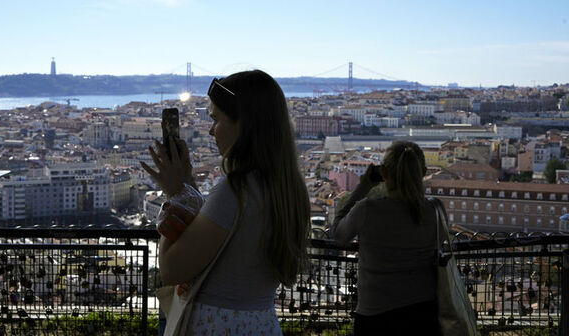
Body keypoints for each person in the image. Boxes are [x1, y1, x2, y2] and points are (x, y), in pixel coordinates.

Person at [141, 70, 310, 334]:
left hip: (217, 325)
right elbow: (222, 233)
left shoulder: (236, 190)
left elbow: (172, 269)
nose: (210, 130)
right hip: (262, 323)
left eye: (215, 118)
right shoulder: (289, 188)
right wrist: (188, 185)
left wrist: (176, 195)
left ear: (243, 124)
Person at [330, 141, 442, 335]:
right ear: (423, 172)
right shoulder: (435, 210)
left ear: (383, 172)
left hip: (375, 314)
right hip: (423, 313)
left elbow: (339, 236)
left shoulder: (367, 210)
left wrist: (362, 188)